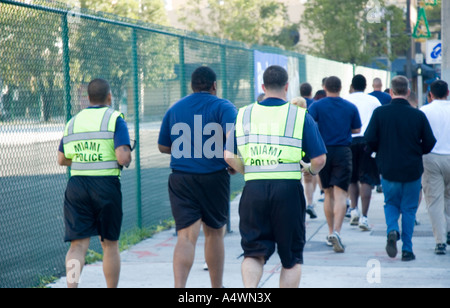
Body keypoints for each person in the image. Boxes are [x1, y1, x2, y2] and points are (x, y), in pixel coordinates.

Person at [224, 65, 327, 288]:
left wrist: (249, 170)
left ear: (263, 87)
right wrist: (309, 170)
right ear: (287, 87)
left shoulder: (243, 114)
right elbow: (319, 160)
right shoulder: (300, 116)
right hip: (288, 191)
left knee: (253, 252)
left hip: (253, 191)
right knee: (291, 257)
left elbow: (228, 156)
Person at [158, 66, 238, 288]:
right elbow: (233, 140)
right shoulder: (224, 106)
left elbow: (163, 146)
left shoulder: (175, 108)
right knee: (214, 234)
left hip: (181, 178)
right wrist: (232, 162)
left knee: (185, 237)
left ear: (192, 86)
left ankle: (179, 288)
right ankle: (216, 287)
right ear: (214, 85)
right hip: (214, 177)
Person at [57, 79, 132, 288]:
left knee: (77, 246)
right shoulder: (115, 118)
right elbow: (123, 157)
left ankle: (72, 286)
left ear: (88, 98)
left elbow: (62, 159)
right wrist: (126, 154)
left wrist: (85, 158)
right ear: (109, 97)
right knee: (109, 244)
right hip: (106, 186)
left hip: (77, 186)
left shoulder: (73, 121)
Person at [365, 76, 436, 262]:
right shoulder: (418, 115)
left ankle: (392, 230)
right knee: (409, 209)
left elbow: (369, 139)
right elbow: (430, 142)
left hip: (388, 168)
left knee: (391, 204)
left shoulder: (380, 113)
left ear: (391, 92)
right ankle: (407, 249)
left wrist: (377, 151)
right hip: (412, 169)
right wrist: (417, 151)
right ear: (408, 92)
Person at [308, 76, 362, 253]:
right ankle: (337, 232)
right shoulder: (350, 107)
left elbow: (309, 124)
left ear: (324, 87)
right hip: (343, 151)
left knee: (327, 192)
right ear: (342, 88)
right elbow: (357, 130)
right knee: (341, 194)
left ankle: (330, 231)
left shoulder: (317, 105)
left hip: (323, 151)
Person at [344, 75, 381, 231]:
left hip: (349, 141)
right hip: (367, 142)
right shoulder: (373, 101)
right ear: (366, 86)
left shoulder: (346, 100)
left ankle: (353, 210)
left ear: (352, 85)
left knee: (352, 179)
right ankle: (364, 217)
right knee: (366, 180)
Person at [420, 80, 450, 255]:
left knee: (434, 200)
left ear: (430, 94)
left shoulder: (424, 111)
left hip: (431, 158)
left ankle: (440, 241)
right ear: (448, 92)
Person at [292, 96, 318, 219]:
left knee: (296, 180)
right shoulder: (307, 118)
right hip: (306, 154)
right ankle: (310, 203)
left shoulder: (289, 119)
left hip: (292, 154)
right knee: (308, 179)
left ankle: (298, 207)